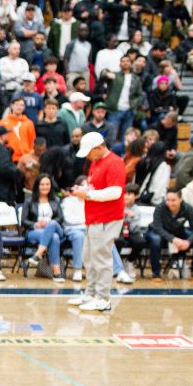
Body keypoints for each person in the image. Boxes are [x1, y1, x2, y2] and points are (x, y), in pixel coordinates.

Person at [68, 132, 126, 311]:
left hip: (107, 218)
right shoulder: (96, 162)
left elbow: (115, 192)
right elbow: (96, 187)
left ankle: (103, 298)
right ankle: (91, 294)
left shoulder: (115, 163)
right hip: (93, 217)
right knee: (89, 258)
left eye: (89, 152)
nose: (87, 156)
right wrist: (84, 189)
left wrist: (88, 194)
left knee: (101, 258)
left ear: (99, 148)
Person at [149, 188, 193, 281]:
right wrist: (173, 239)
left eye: (173, 200)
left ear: (181, 199)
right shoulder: (160, 208)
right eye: (167, 200)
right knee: (155, 240)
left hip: (178, 232)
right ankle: (156, 273)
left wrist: (188, 241)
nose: (170, 203)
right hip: (158, 233)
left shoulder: (188, 208)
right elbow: (158, 228)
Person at [22, 173, 67, 282]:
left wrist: (49, 223)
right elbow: (23, 221)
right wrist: (36, 224)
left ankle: (38, 254)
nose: (45, 187)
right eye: (42, 184)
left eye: (47, 184)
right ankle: (56, 273)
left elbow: (60, 218)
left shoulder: (56, 200)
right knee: (54, 238)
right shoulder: (29, 201)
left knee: (52, 225)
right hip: (35, 231)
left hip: (56, 229)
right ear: (37, 185)